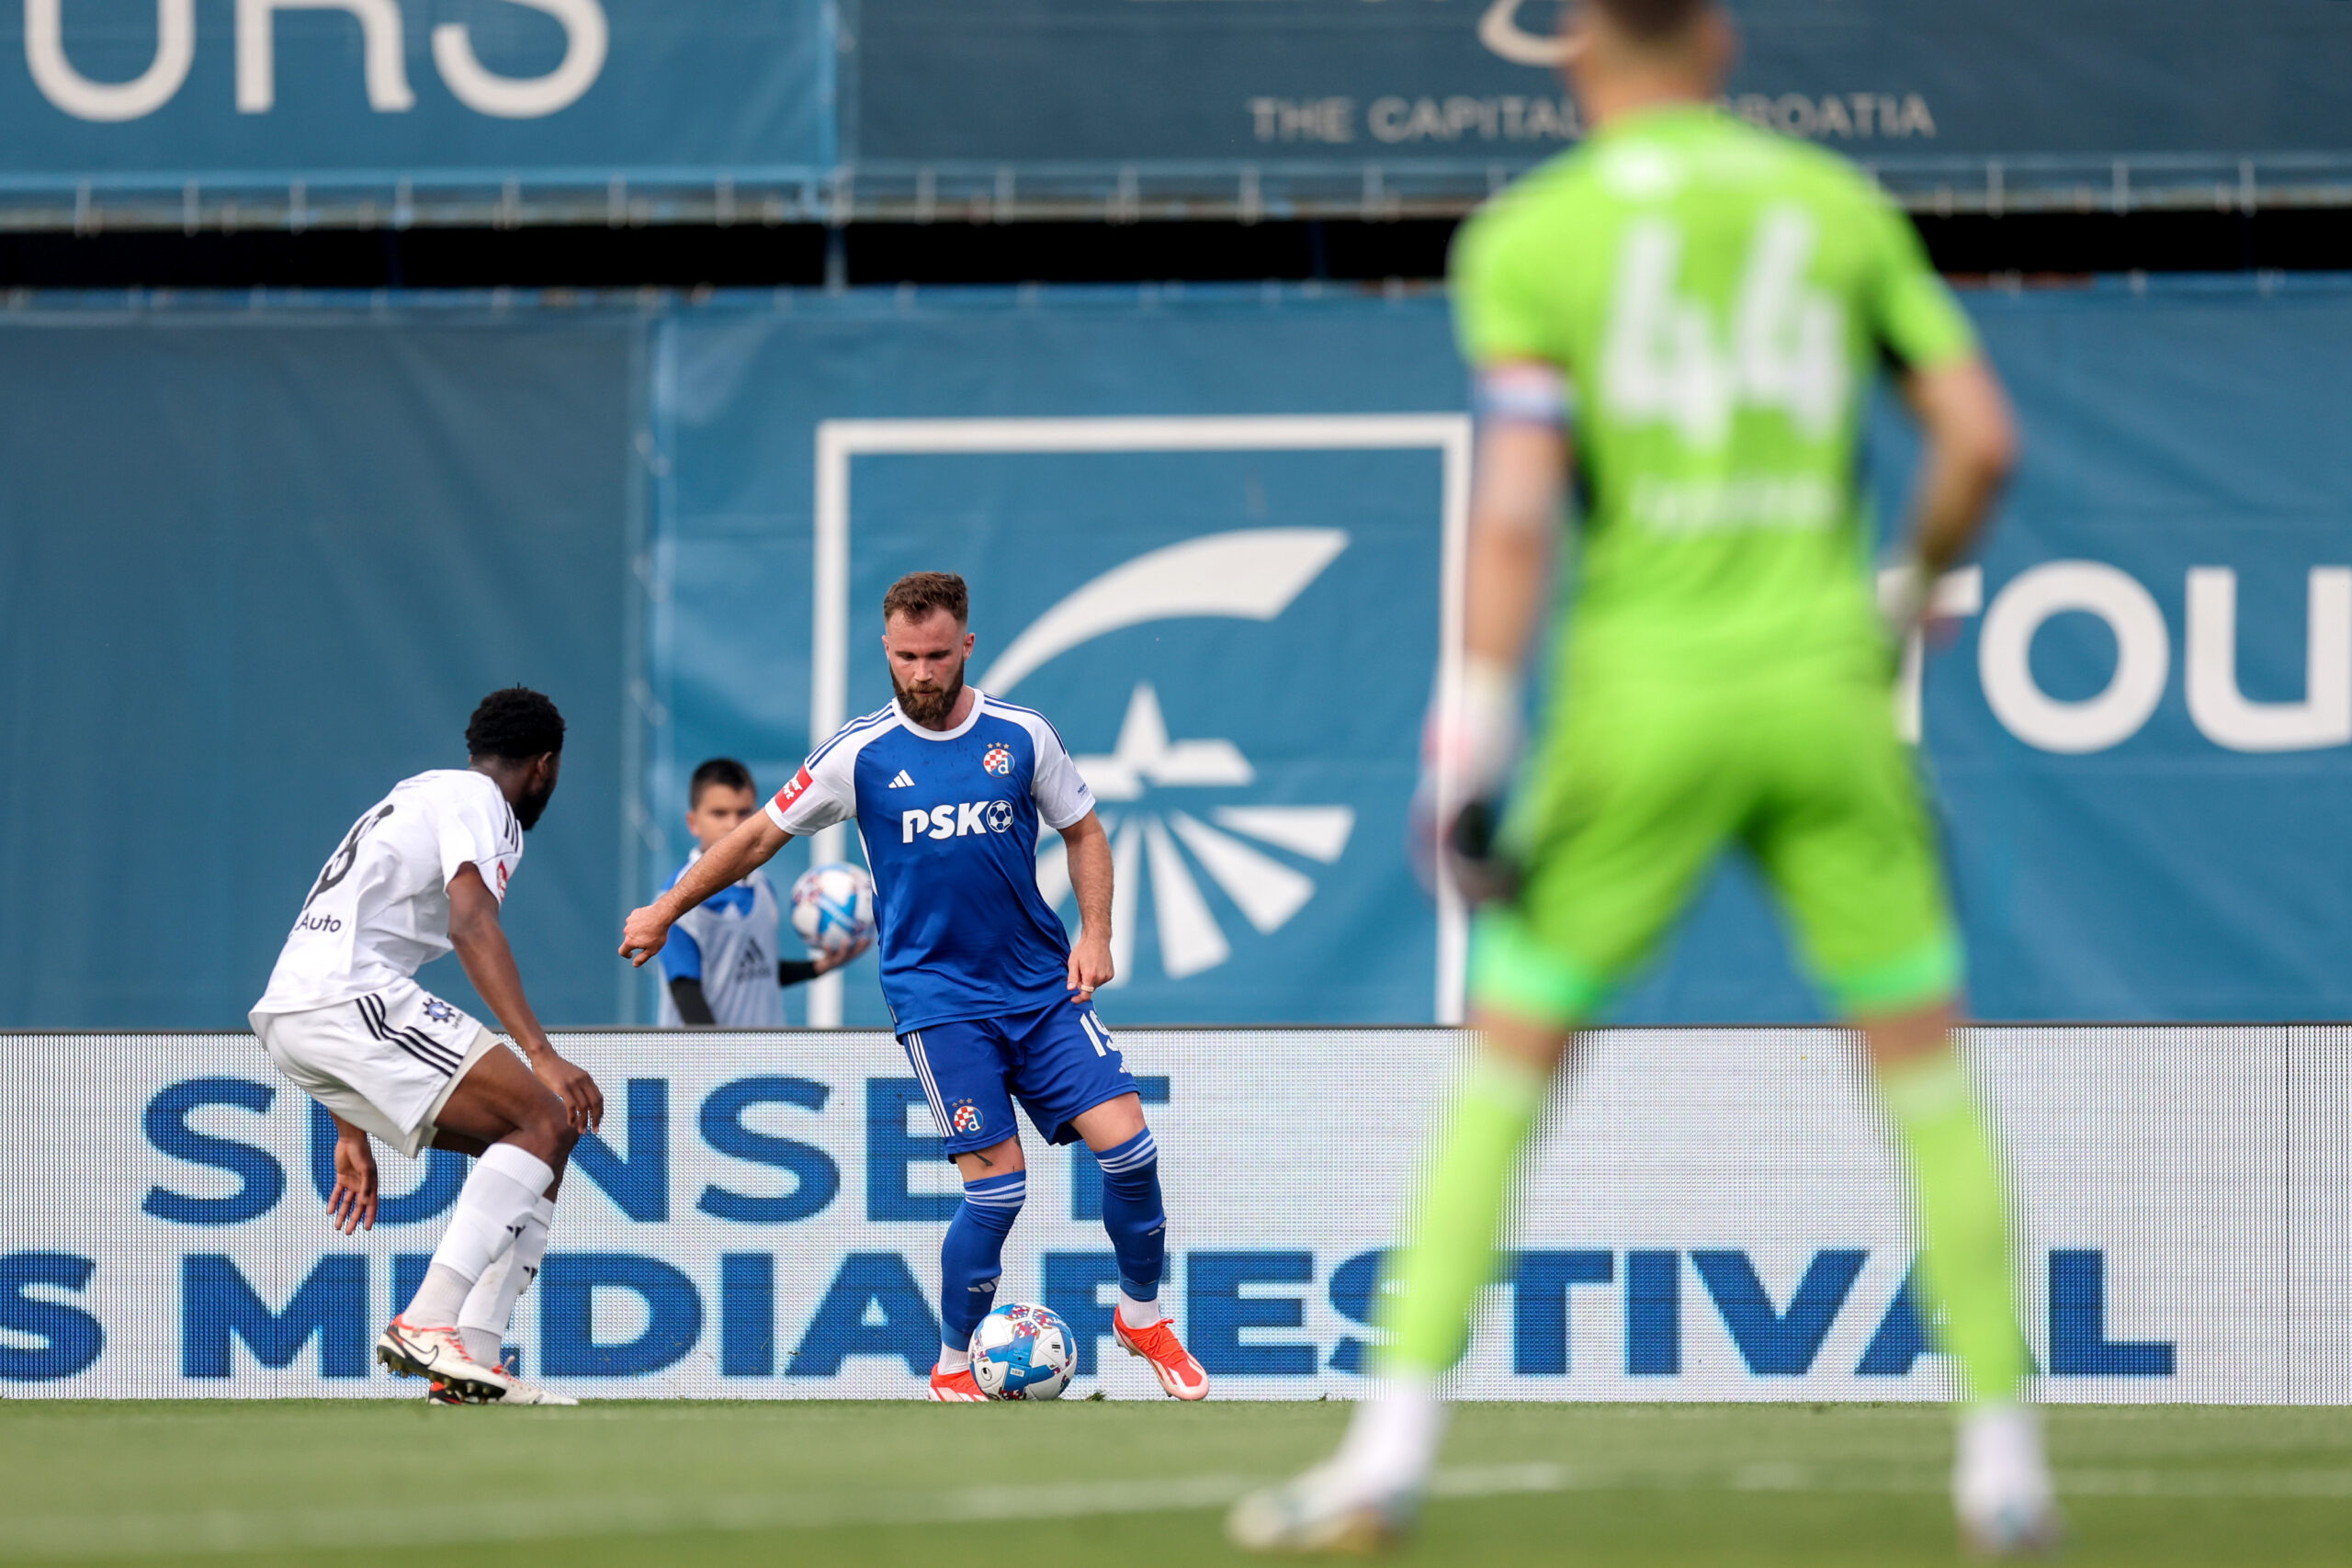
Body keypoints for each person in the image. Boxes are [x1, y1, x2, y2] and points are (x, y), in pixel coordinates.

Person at [1231, 0, 2052, 1552]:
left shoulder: (1535, 237)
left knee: (1509, 1072)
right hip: (1826, 695)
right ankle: (2006, 1468)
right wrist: (1897, 593)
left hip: (1642, 705)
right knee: (1927, 1076)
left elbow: (1522, 506)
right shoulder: (1832, 209)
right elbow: (1980, 442)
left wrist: (1469, 728)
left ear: (1576, 45)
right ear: (1723, 42)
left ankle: (1385, 1459)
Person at [620, 571, 1209, 1403]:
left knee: (1133, 1145)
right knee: (998, 1187)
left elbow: (1084, 829)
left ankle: (1142, 1315)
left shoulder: (1022, 735)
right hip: (939, 1001)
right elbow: (756, 837)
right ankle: (953, 1361)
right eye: (907, 657)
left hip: (1040, 988)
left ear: (966, 645)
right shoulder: (857, 754)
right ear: (887, 652)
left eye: (938, 655)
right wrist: (665, 907)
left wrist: (1098, 933)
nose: (923, 673)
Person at [248, 686, 604, 1407]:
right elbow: (473, 924)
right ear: (544, 766)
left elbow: (347, 924)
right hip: (347, 999)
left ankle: (471, 1366)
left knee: (547, 1137)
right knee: (544, 1112)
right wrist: (539, 1049)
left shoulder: (417, 794)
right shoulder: (485, 805)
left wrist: (348, 1115)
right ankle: (430, 1320)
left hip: (302, 1010)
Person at [655, 757, 873, 1027]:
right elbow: (686, 993)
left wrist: (818, 967)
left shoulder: (761, 885)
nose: (732, 825)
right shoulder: (675, 902)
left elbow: (758, 969)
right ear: (693, 822)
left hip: (765, 1059)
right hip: (708, 1063)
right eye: (719, 813)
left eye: (744, 813)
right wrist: (717, 1060)